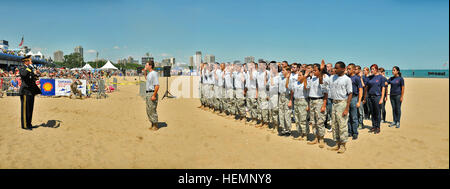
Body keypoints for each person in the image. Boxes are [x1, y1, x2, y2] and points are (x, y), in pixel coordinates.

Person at [327, 61, 352, 154]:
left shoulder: (347, 79)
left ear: (343, 69)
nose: (335, 69)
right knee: (334, 124)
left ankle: (343, 145)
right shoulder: (332, 77)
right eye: (334, 67)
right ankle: (337, 144)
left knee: (342, 125)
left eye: (337, 68)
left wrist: (347, 108)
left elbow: (350, 93)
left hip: (342, 103)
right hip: (334, 103)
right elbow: (324, 83)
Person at [306, 61, 328, 148]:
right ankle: (316, 137)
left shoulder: (323, 78)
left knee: (320, 121)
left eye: (315, 70)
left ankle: (322, 139)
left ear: (319, 71)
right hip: (312, 101)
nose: (313, 72)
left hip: (319, 101)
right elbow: (308, 89)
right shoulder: (312, 79)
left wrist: (324, 105)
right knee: (313, 121)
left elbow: (326, 93)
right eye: (313, 71)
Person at [19, 55, 41, 130]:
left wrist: (37, 74)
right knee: (25, 108)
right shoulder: (22, 68)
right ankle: (25, 125)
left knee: (30, 108)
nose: (31, 61)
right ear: (26, 61)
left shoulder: (30, 68)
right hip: (25, 91)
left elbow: (33, 78)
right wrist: (30, 67)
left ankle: (29, 124)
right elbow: (24, 74)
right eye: (29, 60)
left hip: (31, 91)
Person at [363, 64, 386, 134]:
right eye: (371, 69)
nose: (372, 70)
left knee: (377, 112)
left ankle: (378, 127)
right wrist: (365, 97)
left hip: (377, 97)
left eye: (373, 69)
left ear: (376, 69)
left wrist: (382, 98)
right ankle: (373, 126)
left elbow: (383, 88)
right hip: (370, 97)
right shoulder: (369, 77)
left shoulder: (380, 77)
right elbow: (365, 86)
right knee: (372, 112)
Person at [290, 67, 310, 140]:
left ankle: (305, 134)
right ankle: (300, 133)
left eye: (300, 75)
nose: (298, 77)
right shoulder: (295, 83)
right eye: (298, 75)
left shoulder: (306, 82)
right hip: (296, 101)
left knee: (303, 119)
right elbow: (292, 91)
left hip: (303, 101)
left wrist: (305, 77)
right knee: (297, 119)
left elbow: (306, 88)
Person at [346, 63, 363, 140]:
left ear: (353, 69)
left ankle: (355, 132)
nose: (348, 70)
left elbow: (360, 90)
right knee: (348, 116)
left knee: (354, 117)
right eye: (347, 69)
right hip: (346, 98)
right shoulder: (346, 77)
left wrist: (359, 101)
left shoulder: (357, 78)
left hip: (354, 98)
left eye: (349, 69)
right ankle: (349, 131)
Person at [144, 61, 160, 131]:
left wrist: (154, 95)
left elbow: (157, 85)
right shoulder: (149, 74)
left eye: (146, 65)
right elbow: (146, 78)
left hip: (152, 93)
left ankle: (155, 125)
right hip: (148, 93)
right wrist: (145, 71)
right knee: (148, 110)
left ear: (150, 66)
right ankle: (152, 123)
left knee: (152, 109)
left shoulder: (154, 73)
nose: (145, 66)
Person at [256, 61, 269, 128]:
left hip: (265, 92)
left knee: (264, 108)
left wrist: (268, 94)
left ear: (265, 66)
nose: (259, 66)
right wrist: (256, 93)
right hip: (259, 92)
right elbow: (257, 84)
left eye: (261, 65)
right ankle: (261, 121)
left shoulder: (268, 73)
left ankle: (266, 123)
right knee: (259, 107)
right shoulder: (258, 73)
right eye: (259, 65)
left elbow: (269, 85)